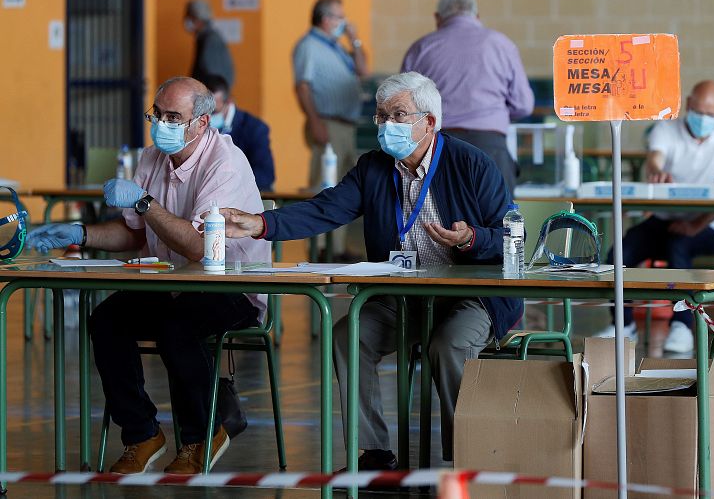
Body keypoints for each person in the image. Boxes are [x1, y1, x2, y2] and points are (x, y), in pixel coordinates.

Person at [207, 72, 522, 468]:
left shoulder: (472, 163)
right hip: (402, 296)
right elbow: (326, 209)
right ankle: (374, 452)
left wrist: (470, 238)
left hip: (472, 297)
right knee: (347, 335)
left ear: (429, 122)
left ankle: (466, 455)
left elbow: (512, 234)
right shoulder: (374, 167)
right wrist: (261, 224)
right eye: (381, 116)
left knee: (449, 344)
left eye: (399, 115)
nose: (387, 125)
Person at [26, 77, 269, 474]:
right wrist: (81, 234)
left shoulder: (225, 161)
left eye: (174, 117)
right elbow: (133, 231)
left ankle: (201, 437)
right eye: (157, 114)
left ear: (201, 124)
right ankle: (141, 433)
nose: (162, 124)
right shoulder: (152, 157)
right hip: (172, 284)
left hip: (233, 285)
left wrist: (144, 201)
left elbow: (196, 246)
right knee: (106, 321)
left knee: (177, 328)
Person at [594, 81, 714, 353]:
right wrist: (655, 171)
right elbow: (655, 158)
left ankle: (682, 325)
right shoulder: (666, 127)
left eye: (712, 115)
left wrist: (694, 225)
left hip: (710, 223)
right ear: (688, 105)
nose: (704, 120)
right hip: (664, 219)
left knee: (679, 246)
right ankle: (623, 325)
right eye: (699, 111)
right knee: (620, 252)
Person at [400, 0, 534, 193]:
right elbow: (524, 105)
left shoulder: (421, 47)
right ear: (477, 17)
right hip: (490, 145)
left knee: (438, 218)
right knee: (498, 220)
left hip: (436, 146)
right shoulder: (501, 44)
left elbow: (403, 107)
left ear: (437, 18)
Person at [293, 0, 367, 260]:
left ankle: (337, 247)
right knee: (324, 185)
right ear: (326, 19)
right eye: (340, 16)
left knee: (346, 187)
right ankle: (321, 248)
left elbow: (363, 70)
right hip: (327, 122)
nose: (344, 21)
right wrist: (315, 122)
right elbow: (302, 86)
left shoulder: (335, 46)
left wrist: (354, 40)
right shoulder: (309, 46)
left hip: (346, 125)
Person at [204, 74, 276, 190]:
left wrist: (224, 183)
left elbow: (265, 175)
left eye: (213, 112)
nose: (207, 117)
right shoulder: (195, 125)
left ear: (229, 102)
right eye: (203, 111)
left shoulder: (254, 128)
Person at [184, 0, 235, 87]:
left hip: (210, 96)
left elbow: (213, 75)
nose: (186, 21)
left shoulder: (211, 40)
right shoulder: (206, 38)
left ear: (198, 19)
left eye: (190, 17)